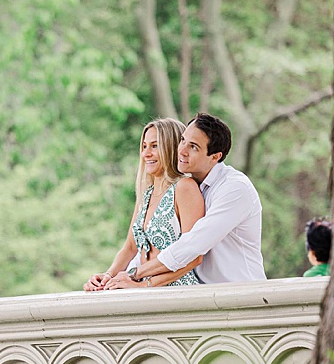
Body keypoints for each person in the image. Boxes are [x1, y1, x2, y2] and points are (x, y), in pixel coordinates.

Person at [122, 113, 267, 285]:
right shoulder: (185, 187)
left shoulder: (234, 188)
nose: (182, 150)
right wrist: (112, 277)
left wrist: (136, 275)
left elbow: (193, 245)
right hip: (204, 295)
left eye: (194, 147)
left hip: (241, 295)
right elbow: (145, 246)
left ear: (215, 157)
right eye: (183, 140)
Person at [85, 118, 205, 291]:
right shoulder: (146, 193)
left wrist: (143, 285)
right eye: (144, 146)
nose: (146, 153)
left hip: (176, 291)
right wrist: (107, 277)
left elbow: (194, 256)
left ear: (171, 148)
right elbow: (130, 247)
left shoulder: (185, 188)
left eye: (155, 146)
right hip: (143, 289)